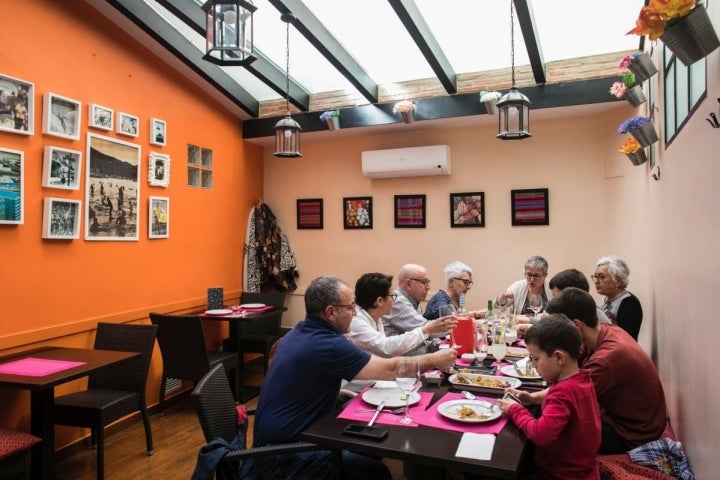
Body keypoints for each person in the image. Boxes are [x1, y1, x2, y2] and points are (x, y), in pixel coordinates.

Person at [252, 276, 457, 479]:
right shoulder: (329, 344)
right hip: (286, 455)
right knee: (376, 472)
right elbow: (388, 370)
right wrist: (434, 360)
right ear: (330, 312)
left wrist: (334, 392)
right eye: (350, 307)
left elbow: (297, 381)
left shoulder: (296, 332)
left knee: (371, 448)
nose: (356, 312)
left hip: (273, 443)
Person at [544, 287, 667, 453]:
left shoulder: (607, 358)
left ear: (576, 325)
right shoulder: (605, 330)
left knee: (553, 427)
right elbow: (578, 356)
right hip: (622, 417)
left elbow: (570, 395)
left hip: (630, 434)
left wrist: (531, 398)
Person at [497, 314, 601, 480]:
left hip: (560, 475)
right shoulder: (581, 379)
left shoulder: (562, 393)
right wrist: (531, 398)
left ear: (559, 357)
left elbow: (540, 435)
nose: (532, 364)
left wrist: (515, 409)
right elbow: (561, 396)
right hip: (583, 471)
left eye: (535, 358)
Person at [346, 272, 456, 357]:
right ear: (379, 301)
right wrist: (426, 330)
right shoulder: (357, 321)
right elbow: (386, 348)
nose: (394, 301)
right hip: (360, 385)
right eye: (392, 296)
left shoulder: (375, 318)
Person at [381, 264, 434, 355]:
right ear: (408, 284)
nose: (428, 287)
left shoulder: (414, 299)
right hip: (401, 365)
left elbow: (423, 336)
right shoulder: (397, 301)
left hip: (416, 359)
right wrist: (458, 324)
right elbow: (427, 329)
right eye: (424, 282)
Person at [592, 256, 643, 340]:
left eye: (601, 277)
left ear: (618, 281)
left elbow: (626, 338)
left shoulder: (629, 303)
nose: (596, 281)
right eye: (596, 277)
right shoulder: (608, 299)